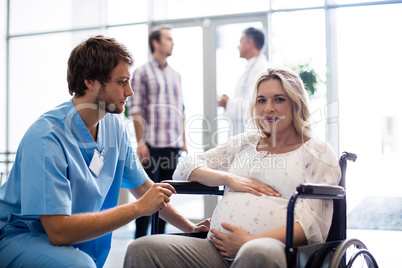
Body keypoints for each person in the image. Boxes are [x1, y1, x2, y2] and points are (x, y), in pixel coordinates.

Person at [0, 35, 210, 268]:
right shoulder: (47, 138)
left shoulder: (114, 128)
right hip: (20, 236)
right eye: (122, 82)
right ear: (90, 81)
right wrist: (138, 209)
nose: (130, 92)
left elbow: (143, 188)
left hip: (72, 242)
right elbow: (58, 231)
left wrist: (191, 228)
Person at [124, 67, 341, 267]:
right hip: (215, 249)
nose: (269, 109)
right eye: (261, 100)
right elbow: (185, 166)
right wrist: (228, 179)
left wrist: (249, 242)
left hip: (277, 251)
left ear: (296, 103)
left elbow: (311, 222)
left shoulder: (316, 151)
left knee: (256, 252)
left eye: (279, 99)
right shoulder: (244, 143)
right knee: (141, 250)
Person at [128, 25, 187, 238]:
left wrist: (184, 140)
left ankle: (159, 243)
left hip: (172, 146)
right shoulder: (141, 72)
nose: (172, 43)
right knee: (146, 199)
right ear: (156, 43)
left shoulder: (176, 75)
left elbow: (181, 110)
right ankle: (140, 243)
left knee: (165, 200)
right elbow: (136, 109)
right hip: (151, 146)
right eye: (168, 38)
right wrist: (140, 142)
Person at [218, 27, 269, 136]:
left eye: (240, 42)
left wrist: (228, 103)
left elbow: (255, 106)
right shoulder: (252, 67)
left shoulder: (261, 69)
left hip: (250, 133)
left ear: (249, 42)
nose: (238, 46)